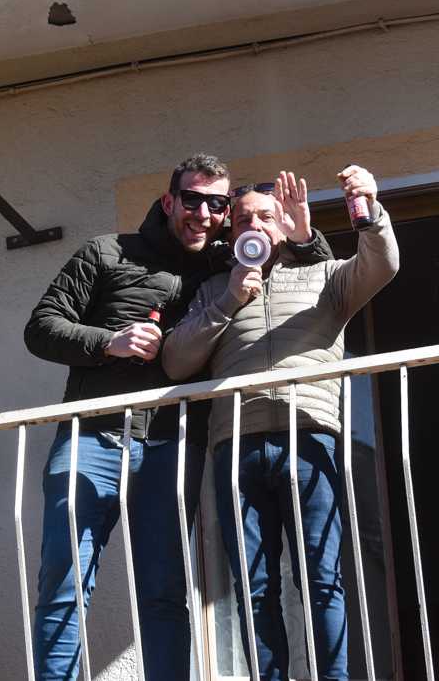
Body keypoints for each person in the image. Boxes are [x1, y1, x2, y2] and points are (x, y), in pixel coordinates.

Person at [24, 153, 333, 681]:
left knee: (164, 592)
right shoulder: (107, 252)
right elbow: (41, 328)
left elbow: (307, 275)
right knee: (64, 584)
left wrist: (304, 234)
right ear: (169, 201)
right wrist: (110, 342)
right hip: (93, 436)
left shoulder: (227, 264)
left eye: (218, 204)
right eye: (192, 200)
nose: (204, 214)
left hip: (173, 444)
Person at [162, 167, 399, 681]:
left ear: (284, 224)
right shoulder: (215, 290)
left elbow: (382, 265)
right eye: (242, 219)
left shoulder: (324, 275)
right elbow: (176, 362)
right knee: (255, 587)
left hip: (309, 438)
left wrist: (368, 209)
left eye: (265, 217)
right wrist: (230, 298)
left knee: (322, 579)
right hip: (236, 448)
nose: (253, 226)